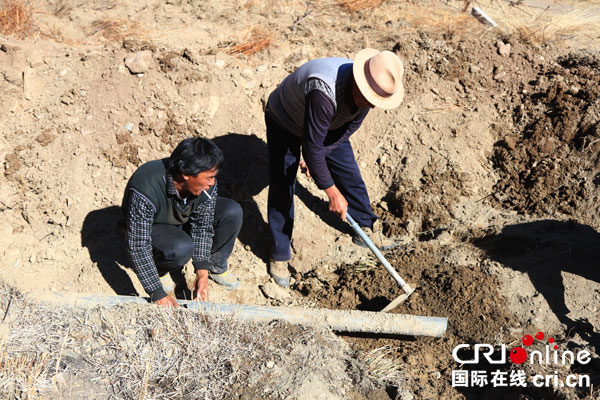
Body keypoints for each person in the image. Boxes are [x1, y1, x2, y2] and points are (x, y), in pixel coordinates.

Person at [265, 48, 405, 287]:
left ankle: (365, 225)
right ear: (358, 84)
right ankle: (279, 255)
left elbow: (348, 129)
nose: (371, 107)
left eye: (376, 102)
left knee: (348, 172)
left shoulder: (368, 90)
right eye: (369, 100)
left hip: (326, 126)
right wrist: (331, 191)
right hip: (285, 119)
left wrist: (320, 157)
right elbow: (311, 146)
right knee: (282, 183)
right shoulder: (324, 91)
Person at [122, 137, 243, 306]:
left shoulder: (206, 186)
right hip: (156, 228)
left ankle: (215, 266)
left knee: (231, 212)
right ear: (186, 173)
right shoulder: (146, 187)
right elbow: (138, 244)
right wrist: (156, 293)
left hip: (181, 218)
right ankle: (160, 268)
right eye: (208, 177)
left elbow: (202, 227)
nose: (213, 183)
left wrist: (202, 274)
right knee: (180, 247)